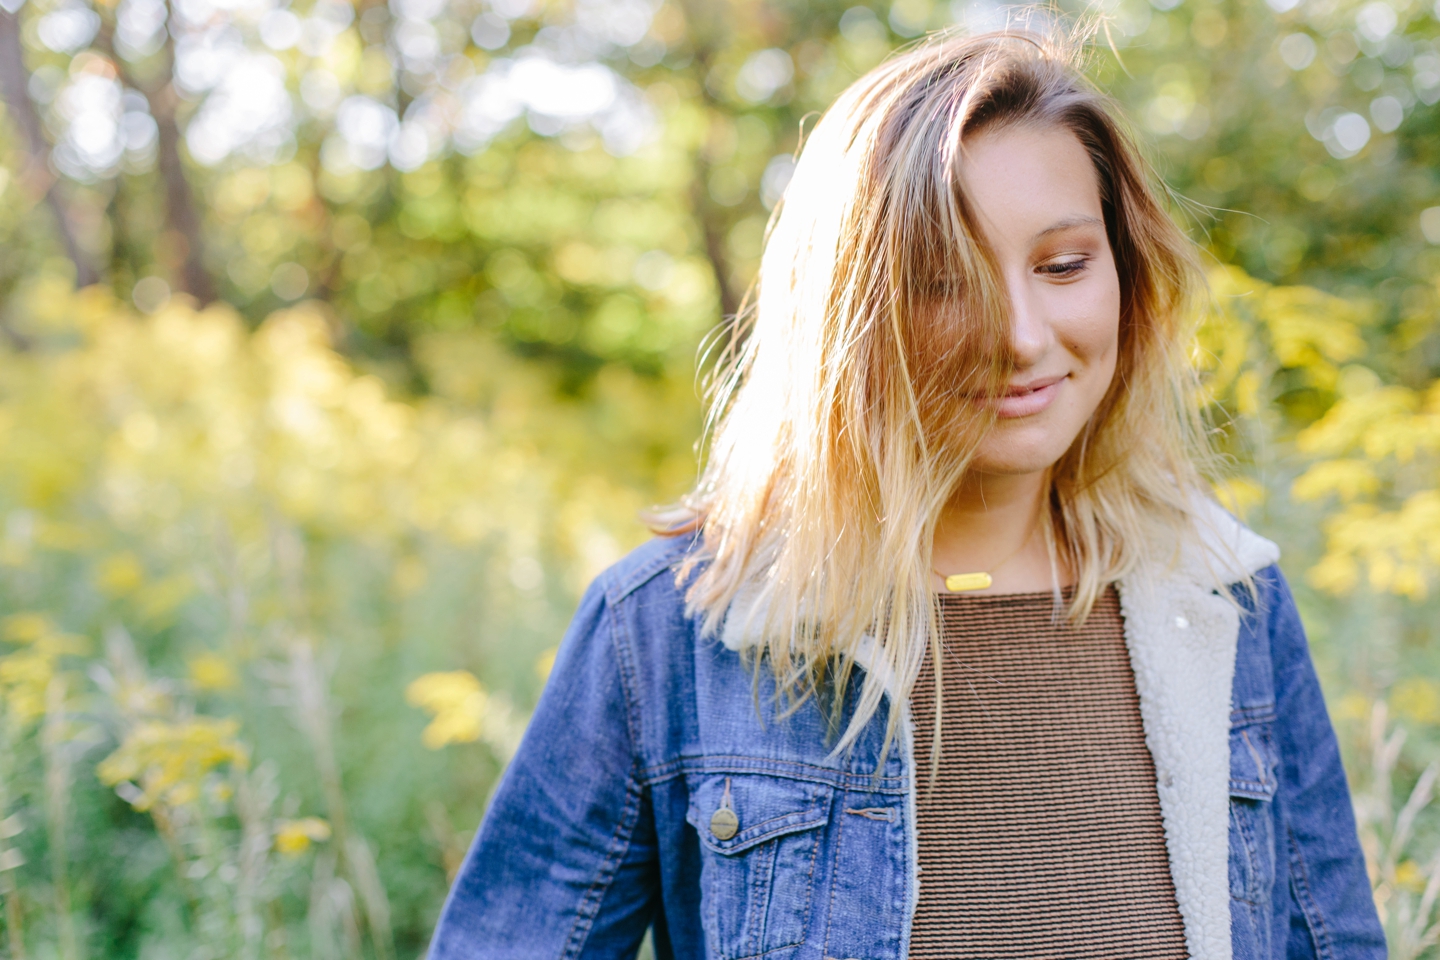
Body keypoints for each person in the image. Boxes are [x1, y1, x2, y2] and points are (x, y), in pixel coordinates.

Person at [427, 28, 1385, 960]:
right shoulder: (671, 635)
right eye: (942, 282)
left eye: (1062, 265)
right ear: (847, 309)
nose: (1019, 334)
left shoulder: (1226, 603)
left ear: (1129, 277)